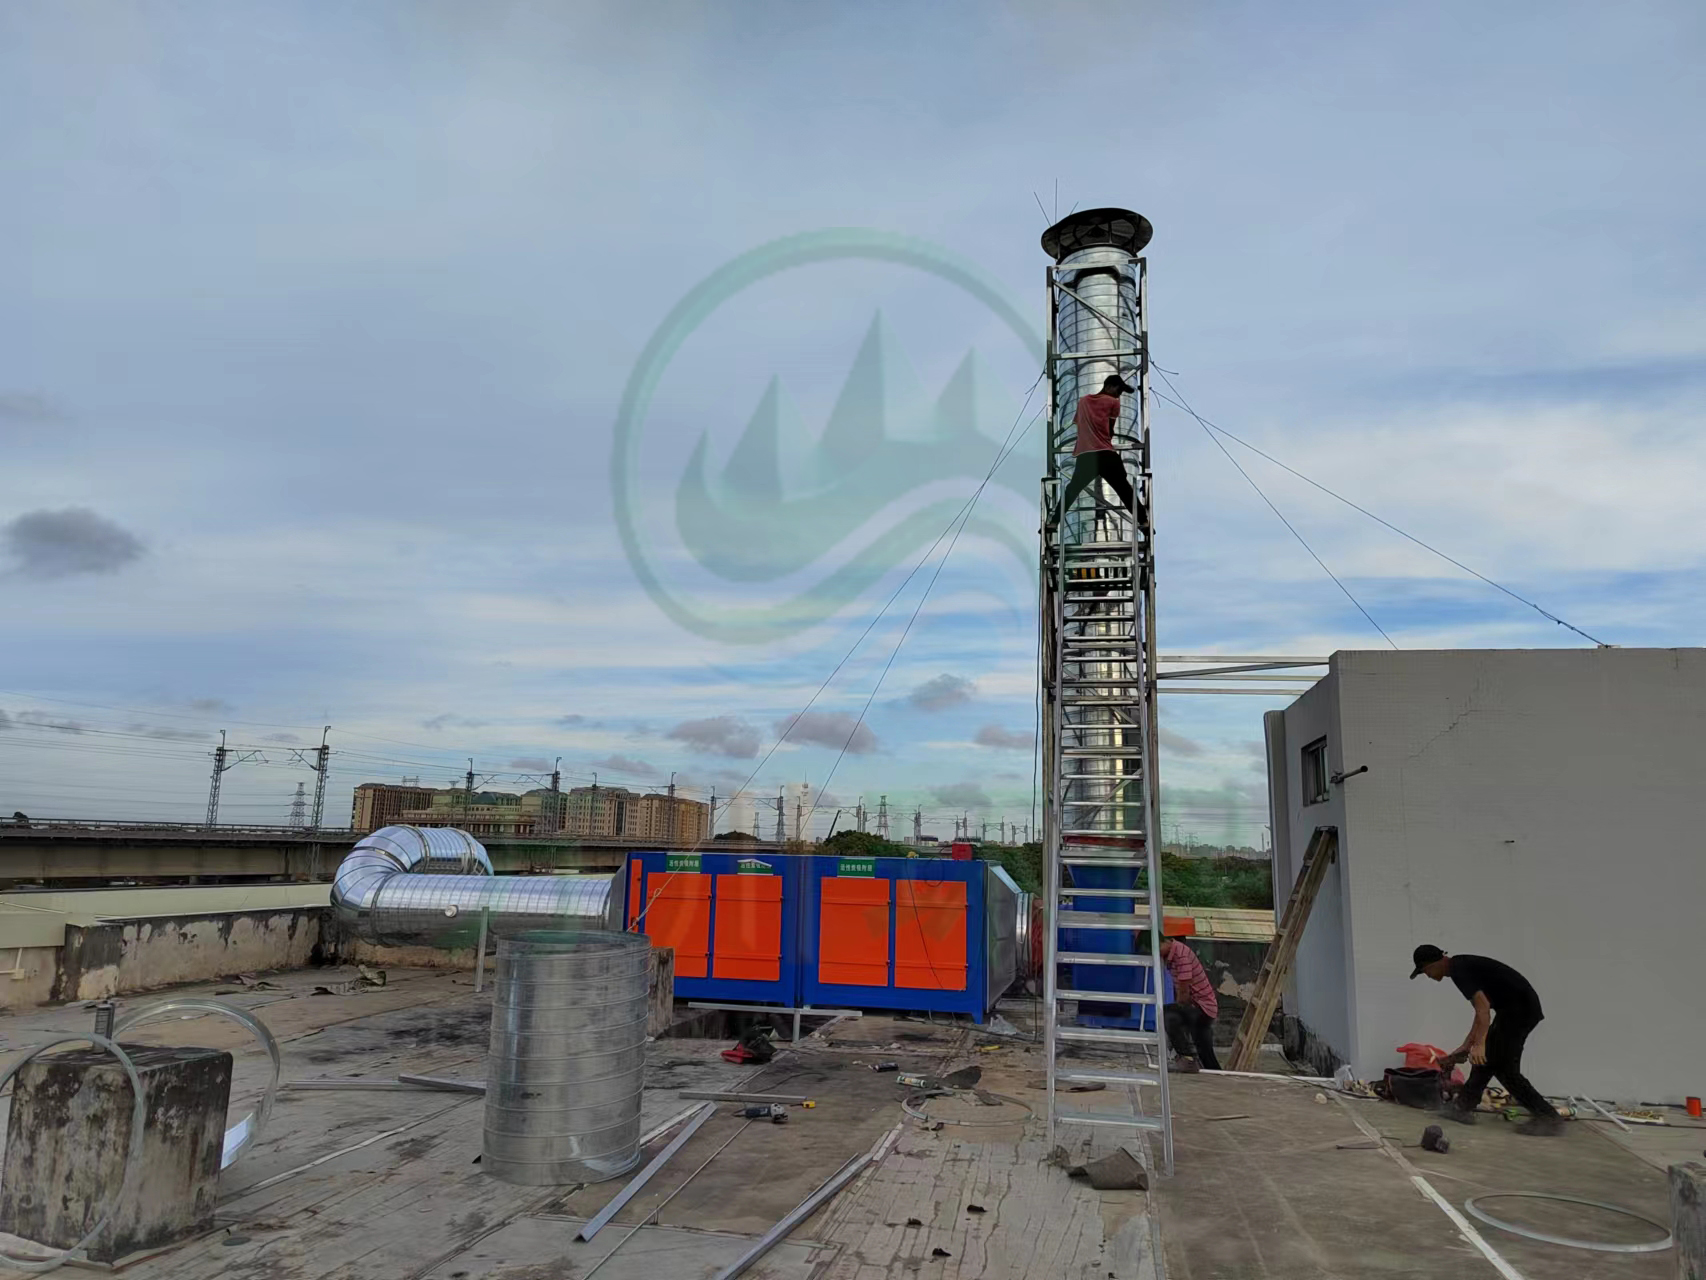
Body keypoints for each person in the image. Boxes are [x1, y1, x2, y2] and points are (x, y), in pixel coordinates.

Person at [1410, 944, 1562, 1135]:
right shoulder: (1459, 966)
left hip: (1520, 1011)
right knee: (1488, 1059)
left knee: (1505, 1068)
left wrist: (1480, 1045)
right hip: (1512, 1009)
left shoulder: (1459, 971)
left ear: (1432, 964)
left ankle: (1548, 1117)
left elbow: (1483, 1010)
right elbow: (1480, 1012)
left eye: (1425, 971)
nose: (1428, 976)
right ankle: (1462, 1107)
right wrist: (1467, 1046)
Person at [1059, 374, 1145, 521]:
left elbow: (1080, 425)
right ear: (1108, 386)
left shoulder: (1082, 402)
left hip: (1086, 455)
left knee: (1072, 490)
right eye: (1118, 391)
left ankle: (1054, 521)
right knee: (1124, 490)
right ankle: (1143, 520)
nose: (1119, 395)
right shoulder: (1113, 403)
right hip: (1105, 454)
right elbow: (1110, 430)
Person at [1158, 934, 1221, 1071]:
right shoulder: (1173, 953)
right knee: (1206, 1054)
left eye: (1157, 947)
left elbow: (1184, 992)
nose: (1155, 952)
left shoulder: (1180, 955)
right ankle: (1204, 1066)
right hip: (1198, 1006)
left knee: (1168, 1015)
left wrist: (1179, 1008)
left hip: (1202, 1007)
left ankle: (1188, 1059)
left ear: (1166, 941)